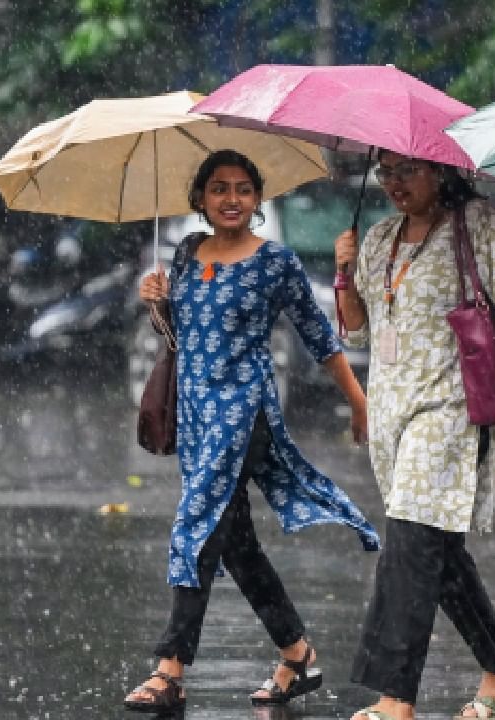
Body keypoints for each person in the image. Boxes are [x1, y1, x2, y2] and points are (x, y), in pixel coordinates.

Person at [124, 149, 380, 714]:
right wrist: (157, 304)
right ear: (200, 199)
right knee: (235, 543)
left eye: (243, 188)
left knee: (197, 521)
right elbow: (179, 337)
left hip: (245, 414)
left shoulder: (275, 262)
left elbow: (319, 335)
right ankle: (296, 653)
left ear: (257, 199)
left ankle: (170, 668)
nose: (231, 199)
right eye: (219, 189)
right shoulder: (186, 253)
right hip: (196, 416)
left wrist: (358, 402)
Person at [333, 151, 495, 720]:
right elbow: (356, 325)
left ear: (440, 171)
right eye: (386, 173)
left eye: (407, 171)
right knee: (436, 548)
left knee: (408, 546)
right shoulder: (378, 237)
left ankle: (394, 697)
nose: (394, 183)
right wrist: (344, 272)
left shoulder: (477, 226)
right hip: (392, 412)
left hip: (449, 407)